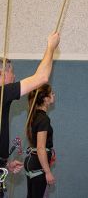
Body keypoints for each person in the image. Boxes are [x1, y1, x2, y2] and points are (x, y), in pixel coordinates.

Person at [0, 32, 60, 173]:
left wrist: (5, 165)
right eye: (11, 73)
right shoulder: (2, 92)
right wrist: (51, 47)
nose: (14, 77)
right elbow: (42, 77)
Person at [24, 84, 55, 198]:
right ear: (45, 98)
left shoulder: (34, 116)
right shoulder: (43, 119)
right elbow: (41, 147)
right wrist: (47, 172)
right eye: (52, 93)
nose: (54, 95)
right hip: (38, 166)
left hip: (32, 163)